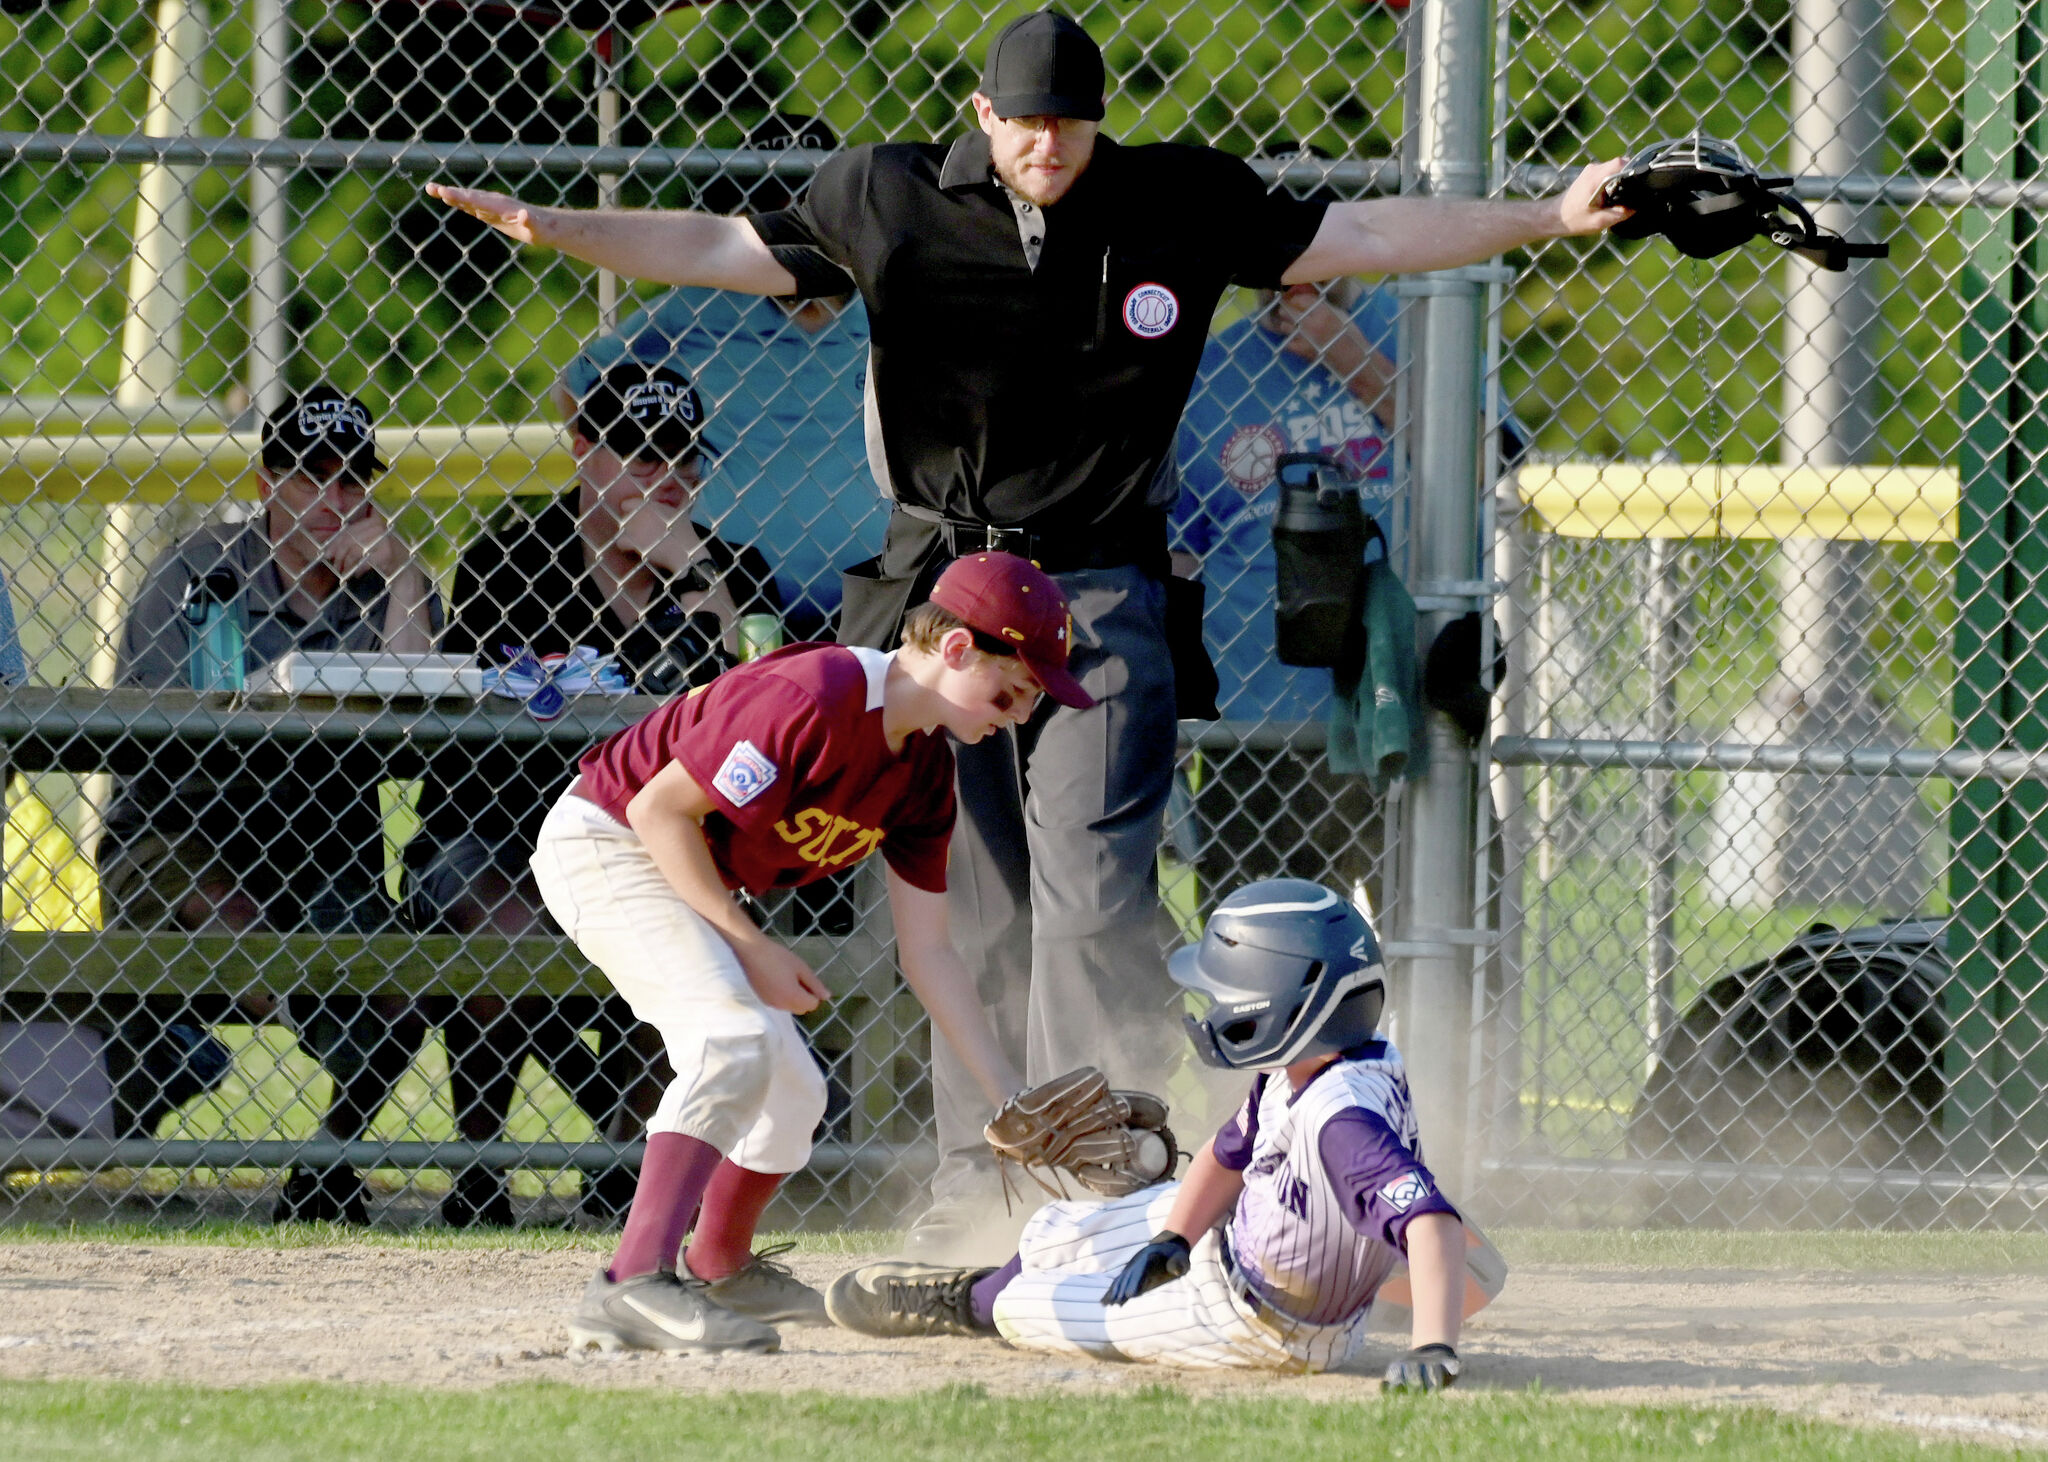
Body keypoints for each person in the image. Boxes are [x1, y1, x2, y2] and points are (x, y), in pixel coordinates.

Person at [426, 7, 1629, 1260]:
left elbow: (1370, 231)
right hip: (945, 597)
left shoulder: (1177, 197)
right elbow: (721, 243)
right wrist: (557, 229)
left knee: (1097, 894)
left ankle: (1087, 1167)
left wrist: (1548, 213)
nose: (1045, 144)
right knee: (977, 905)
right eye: (1023, 121)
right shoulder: (889, 194)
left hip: (1099, 587)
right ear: (983, 117)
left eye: (1067, 122)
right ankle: (976, 1179)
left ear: (1095, 122)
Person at [531, 551, 1085, 1353]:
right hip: (608, 841)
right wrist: (750, 945)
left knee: (793, 1090)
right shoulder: (817, 696)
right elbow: (658, 813)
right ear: (958, 650)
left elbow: (929, 955)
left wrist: (1009, 1095)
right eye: (1016, 688)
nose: (1019, 714)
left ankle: (720, 1264)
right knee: (733, 1041)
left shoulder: (925, 772)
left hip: (683, 868)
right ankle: (629, 1284)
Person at [822, 878, 1505, 1385]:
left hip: (1258, 1324)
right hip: (1238, 1233)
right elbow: (1228, 1153)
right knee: (1061, 1227)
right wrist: (1174, 1239)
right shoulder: (1311, 1064)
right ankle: (986, 1282)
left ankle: (972, 1304)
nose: (1212, 1008)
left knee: (1033, 1310)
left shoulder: (1342, 1123)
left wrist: (1431, 1347)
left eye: (1227, 995)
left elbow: (1433, 1224)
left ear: (1283, 1006)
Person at [410, 358, 781, 1226]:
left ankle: (623, 1163)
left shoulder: (729, 568)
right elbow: (478, 740)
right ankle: (481, 1164)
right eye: (639, 455)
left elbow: (770, 699)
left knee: (682, 924)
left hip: (665, 839)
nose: (667, 477)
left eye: (683, 458)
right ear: (583, 452)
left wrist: (697, 579)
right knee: (500, 922)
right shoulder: (510, 554)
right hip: (498, 825)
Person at [97, 386, 443, 1224]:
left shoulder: (391, 579)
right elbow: (154, 730)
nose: (336, 498)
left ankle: (327, 1161)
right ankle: (276, 1003)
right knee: (236, 915)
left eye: (355, 478)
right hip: (183, 836)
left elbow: (427, 724)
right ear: (266, 484)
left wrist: (398, 575)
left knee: (401, 987)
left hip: (326, 850)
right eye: (311, 475)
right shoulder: (199, 570)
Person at [560, 113, 884, 644]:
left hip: (880, 603)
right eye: (772, 208)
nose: (791, 226)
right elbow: (581, 387)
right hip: (739, 595)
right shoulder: (705, 303)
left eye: (807, 206)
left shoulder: (889, 302)